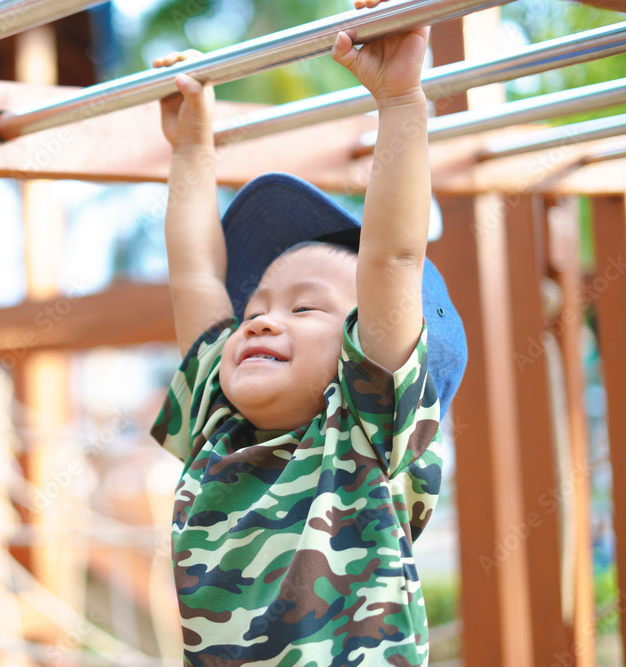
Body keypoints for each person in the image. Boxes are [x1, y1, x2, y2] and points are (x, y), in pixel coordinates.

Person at [148, 2, 468, 664]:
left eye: (305, 309)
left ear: (364, 350)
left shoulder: (360, 434)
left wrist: (402, 101)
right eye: (257, 306)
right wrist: (191, 149)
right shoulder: (219, 425)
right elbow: (197, 279)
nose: (260, 317)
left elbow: (392, 260)